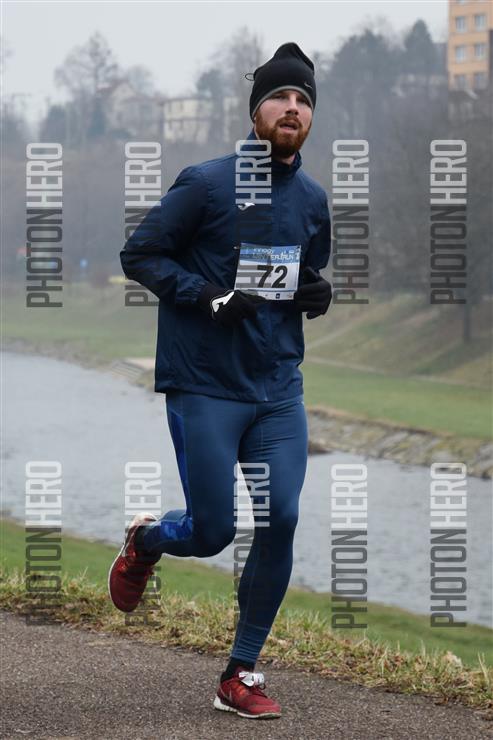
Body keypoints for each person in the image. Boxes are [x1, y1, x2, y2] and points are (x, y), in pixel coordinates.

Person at [109, 41, 332, 720]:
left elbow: (304, 274)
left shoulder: (314, 199)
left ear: (310, 117)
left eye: (302, 100)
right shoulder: (206, 183)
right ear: (255, 111)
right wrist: (207, 295)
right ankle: (147, 541)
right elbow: (140, 253)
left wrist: (316, 293)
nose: (291, 108)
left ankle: (240, 673)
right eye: (279, 97)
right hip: (205, 383)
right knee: (211, 531)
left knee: (281, 517)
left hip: (277, 389)